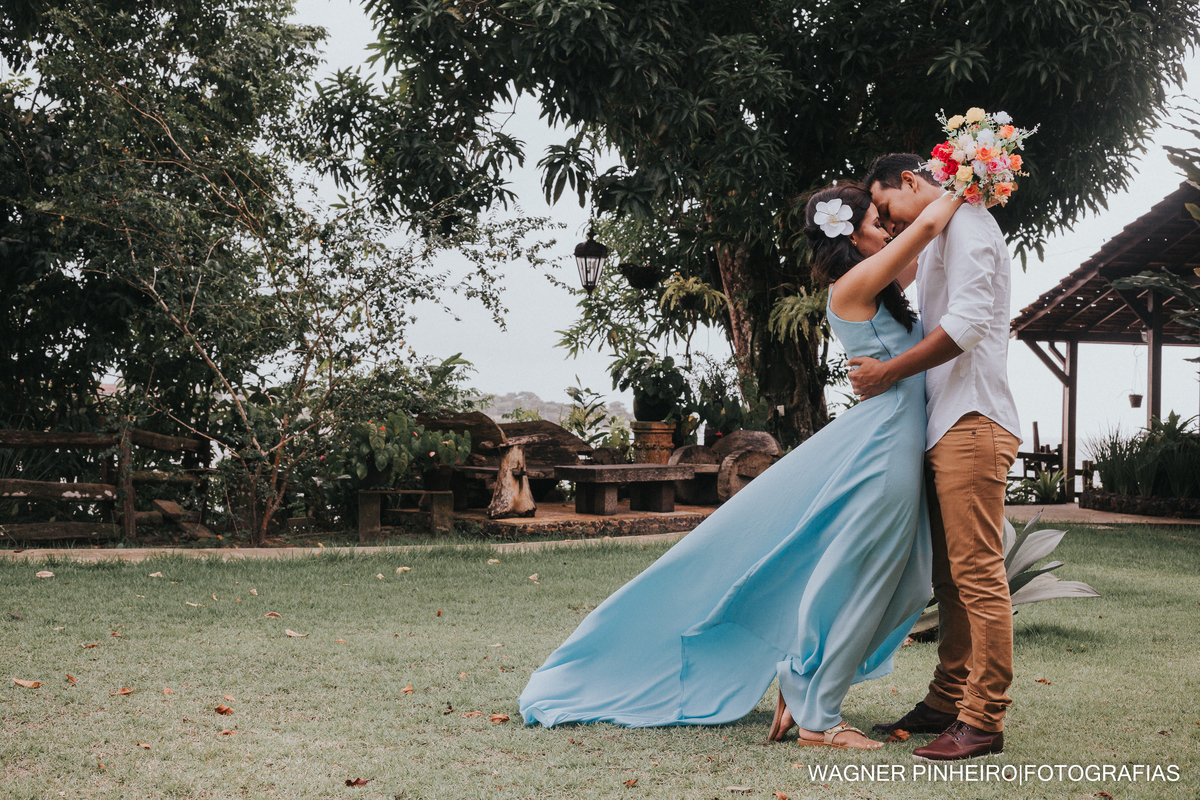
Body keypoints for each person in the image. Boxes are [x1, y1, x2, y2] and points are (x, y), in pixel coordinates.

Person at [519, 183, 962, 750]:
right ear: (852, 236)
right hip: (884, 445)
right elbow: (927, 228)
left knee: (910, 580)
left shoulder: (884, 284)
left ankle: (804, 681)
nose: (889, 229)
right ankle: (819, 719)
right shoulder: (852, 285)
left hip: (896, 439)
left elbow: (926, 252)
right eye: (878, 222)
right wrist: (972, 174)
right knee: (867, 576)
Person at [851, 154, 1021, 762]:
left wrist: (888, 372)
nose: (889, 223)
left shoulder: (969, 223)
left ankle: (983, 719)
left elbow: (968, 324)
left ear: (911, 181)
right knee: (949, 579)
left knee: (977, 576)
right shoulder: (944, 229)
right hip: (947, 422)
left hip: (972, 420)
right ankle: (948, 699)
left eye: (886, 208)